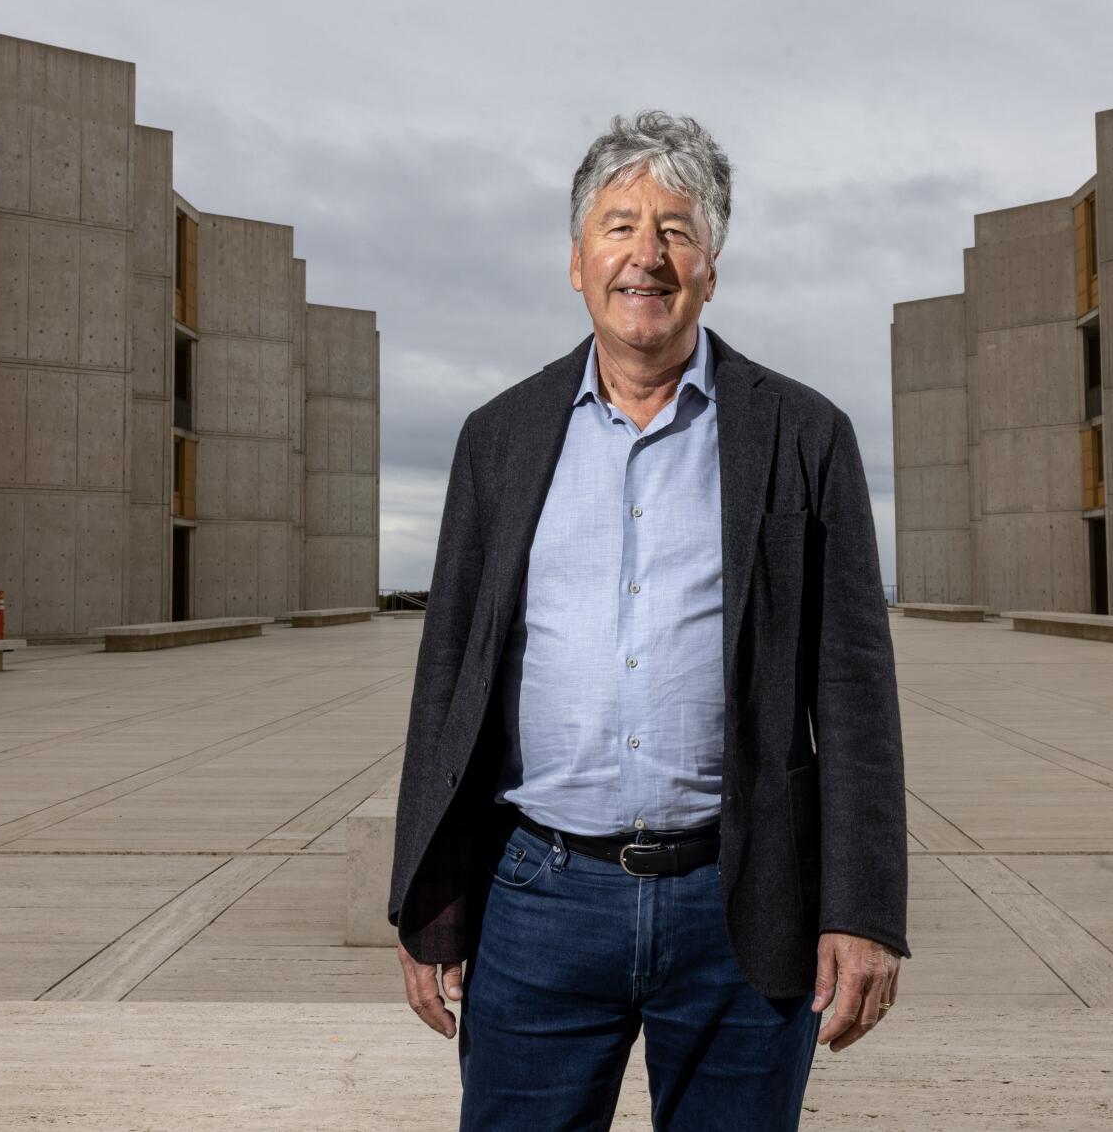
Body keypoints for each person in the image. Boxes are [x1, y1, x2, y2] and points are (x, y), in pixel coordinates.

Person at [389, 110, 909, 1130]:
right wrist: (430, 897)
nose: (646, 254)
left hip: (741, 899)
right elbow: (447, 675)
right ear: (577, 262)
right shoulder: (496, 438)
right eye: (618, 225)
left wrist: (861, 908)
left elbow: (852, 690)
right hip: (537, 897)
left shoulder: (802, 434)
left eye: (675, 229)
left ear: (710, 265)